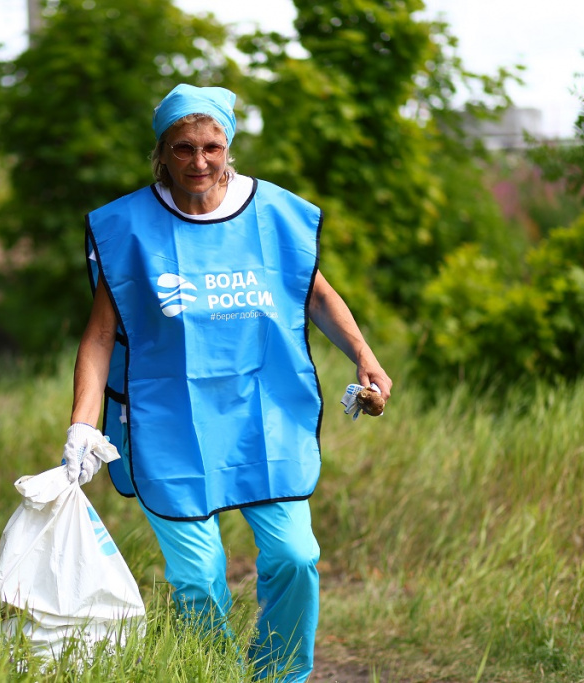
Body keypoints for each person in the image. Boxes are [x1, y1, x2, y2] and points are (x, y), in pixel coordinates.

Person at [62, 84, 393, 682]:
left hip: (263, 414)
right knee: (198, 579)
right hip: (167, 422)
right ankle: (211, 675)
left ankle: (279, 675)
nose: (199, 162)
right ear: (161, 153)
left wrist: (364, 357)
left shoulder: (275, 215)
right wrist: (83, 425)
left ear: (229, 145)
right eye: (182, 148)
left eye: (211, 146)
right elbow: (100, 335)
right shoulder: (129, 227)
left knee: (296, 556)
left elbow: (314, 293)